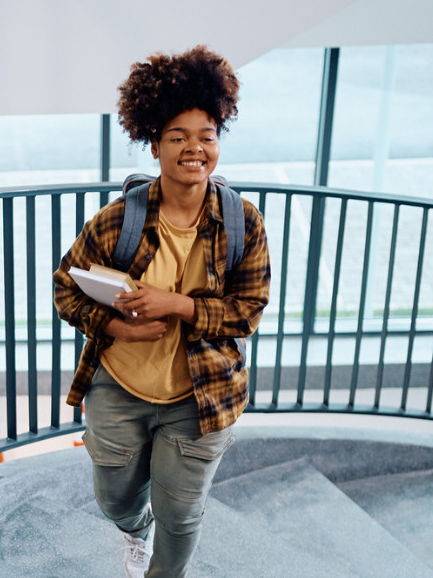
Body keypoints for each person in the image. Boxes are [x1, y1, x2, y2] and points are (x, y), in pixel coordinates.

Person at [52, 45, 271, 578]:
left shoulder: (243, 222)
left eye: (207, 136)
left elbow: (248, 312)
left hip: (201, 396)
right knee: (115, 499)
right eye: (178, 137)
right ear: (154, 145)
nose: (194, 149)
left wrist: (178, 305)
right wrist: (116, 327)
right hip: (119, 386)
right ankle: (136, 529)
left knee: (182, 514)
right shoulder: (116, 222)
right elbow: (66, 289)